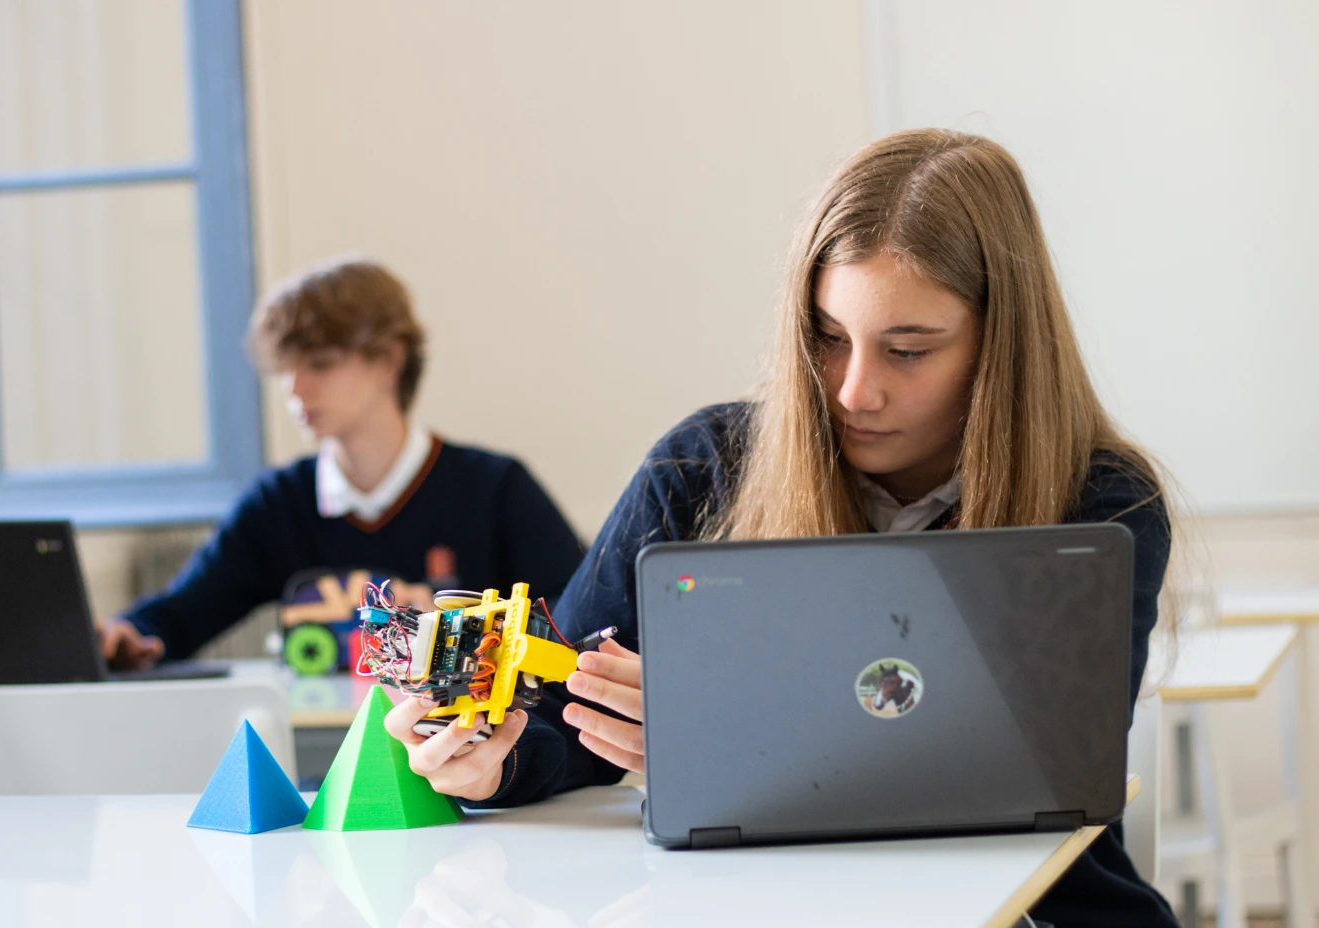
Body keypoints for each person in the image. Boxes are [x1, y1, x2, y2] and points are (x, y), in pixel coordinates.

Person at [385, 130, 1181, 927]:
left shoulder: (1103, 503)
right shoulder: (702, 469)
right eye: (828, 340)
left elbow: (1044, 768)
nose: (854, 391)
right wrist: (495, 763)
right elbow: (562, 715)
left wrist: (733, 751)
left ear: (999, 348)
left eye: (907, 351)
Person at [100, 258, 586, 669]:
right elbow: (184, 611)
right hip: (319, 755)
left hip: (464, 756)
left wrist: (473, 633)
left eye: (320, 364)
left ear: (389, 361)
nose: (295, 390)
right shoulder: (280, 502)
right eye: (287, 368)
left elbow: (576, 618)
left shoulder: (494, 490)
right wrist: (127, 636)